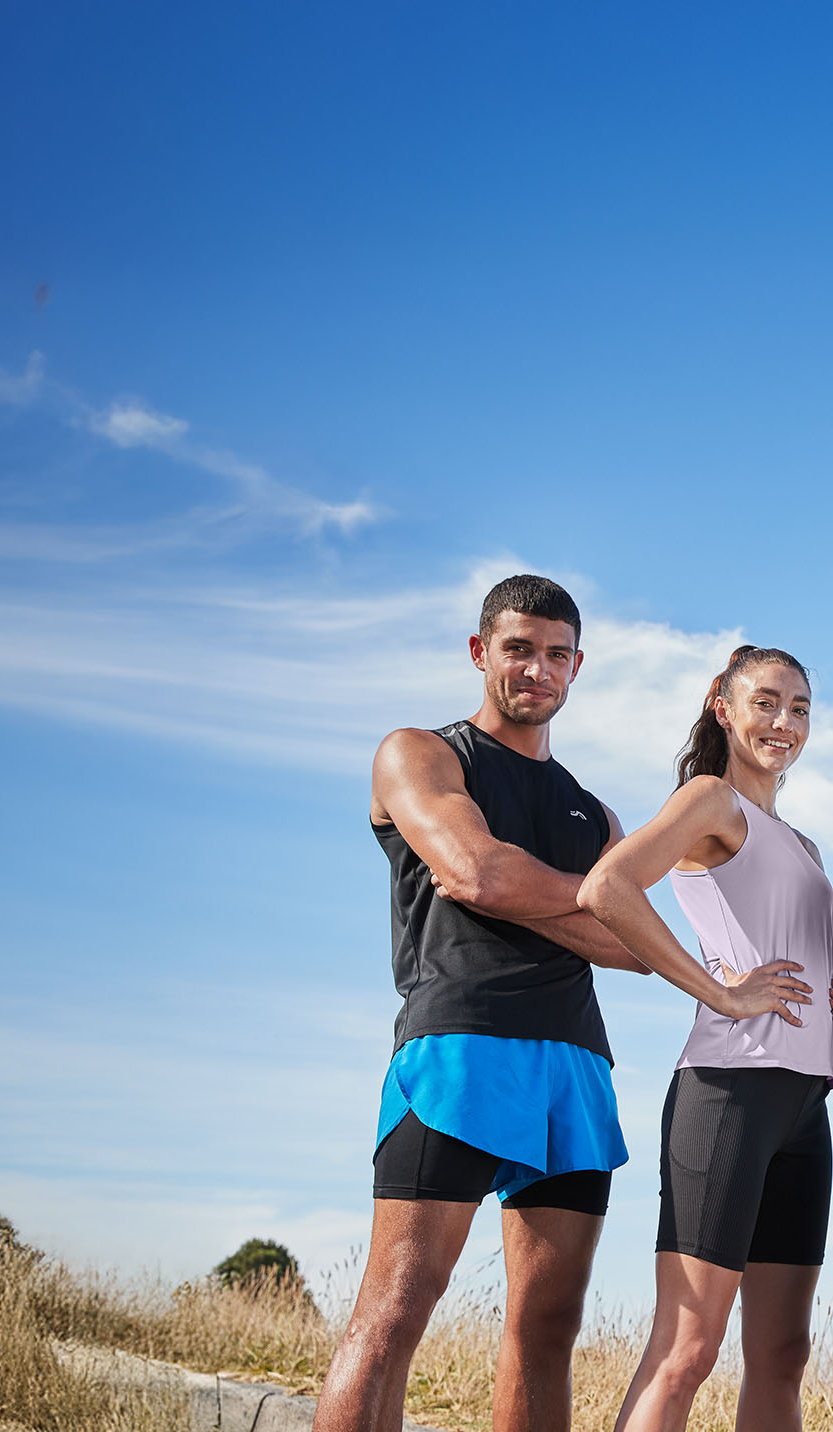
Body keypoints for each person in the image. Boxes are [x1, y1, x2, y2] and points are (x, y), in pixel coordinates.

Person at [316, 575, 651, 1432]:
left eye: (556, 654)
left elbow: (637, 945)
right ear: (480, 652)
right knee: (395, 1310)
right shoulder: (421, 754)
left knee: (548, 1327)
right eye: (519, 649)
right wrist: (586, 900)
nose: (538, 669)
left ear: (577, 667)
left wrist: (518, 891)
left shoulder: (595, 813)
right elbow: (473, 870)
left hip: (576, 1062)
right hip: (461, 1045)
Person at [577, 645, 833, 1432]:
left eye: (799, 709)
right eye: (766, 702)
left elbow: (784, 933)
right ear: (722, 706)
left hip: (804, 1107)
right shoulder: (711, 801)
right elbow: (606, 887)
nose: (784, 722)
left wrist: (830, 986)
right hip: (730, 1091)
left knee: (783, 1354)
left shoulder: (801, 843)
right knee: (688, 1348)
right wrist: (722, 992)